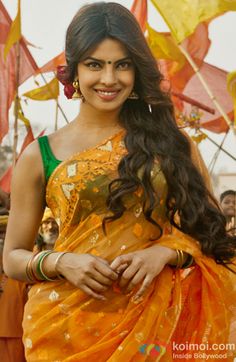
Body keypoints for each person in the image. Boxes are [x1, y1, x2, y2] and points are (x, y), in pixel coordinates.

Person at [3, 2, 236, 361]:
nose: (109, 79)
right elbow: (14, 257)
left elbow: (214, 240)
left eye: (122, 65)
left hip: (157, 331)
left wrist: (167, 253)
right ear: (74, 70)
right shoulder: (40, 155)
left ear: (136, 70)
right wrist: (61, 261)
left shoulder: (172, 144)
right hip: (63, 332)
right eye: (95, 64)